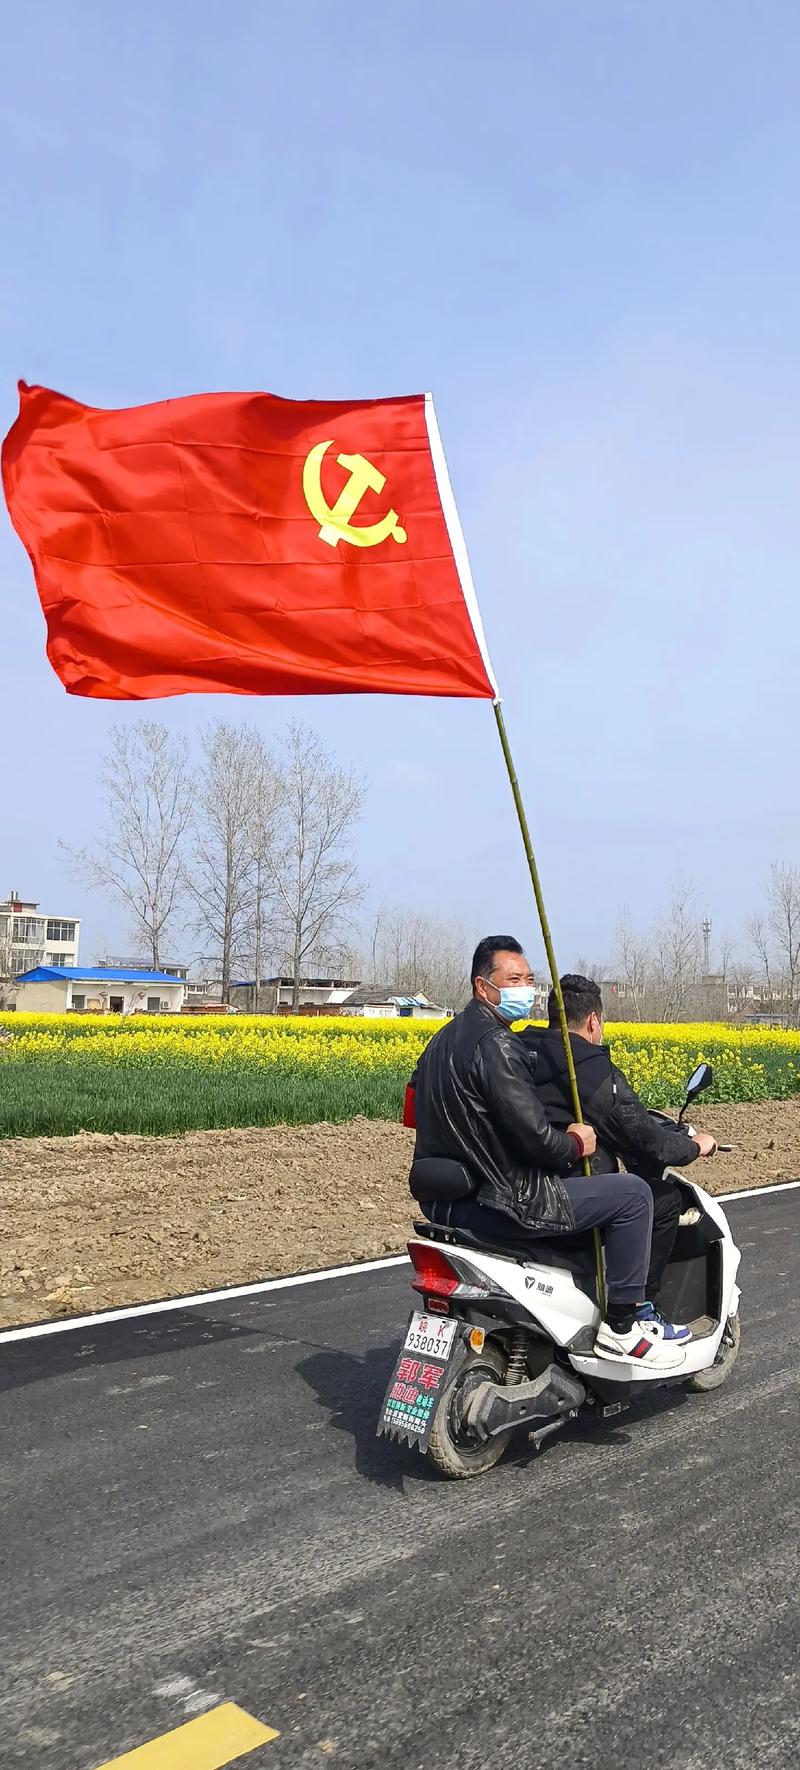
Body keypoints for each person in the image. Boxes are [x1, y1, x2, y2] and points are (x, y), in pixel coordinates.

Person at [408, 935, 686, 1371]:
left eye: (529, 978)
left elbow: (412, 1112)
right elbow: (537, 1139)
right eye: (513, 979)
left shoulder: (439, 1042)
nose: (525, 987)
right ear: (483, 986)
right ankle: (623, 1326)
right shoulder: (497, 1044)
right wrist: (576, 1142)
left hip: (447, 1202)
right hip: (507, 1199)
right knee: (633, 1195)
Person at [522, 975, 718, 1343]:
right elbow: (645, 1141)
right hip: (563, 1198)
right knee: (660, 1199)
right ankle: (636, 1314)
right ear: (593, 1021)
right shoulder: (587, 1067)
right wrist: (695, 1146)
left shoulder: (520, 1049)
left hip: (518, 1188)